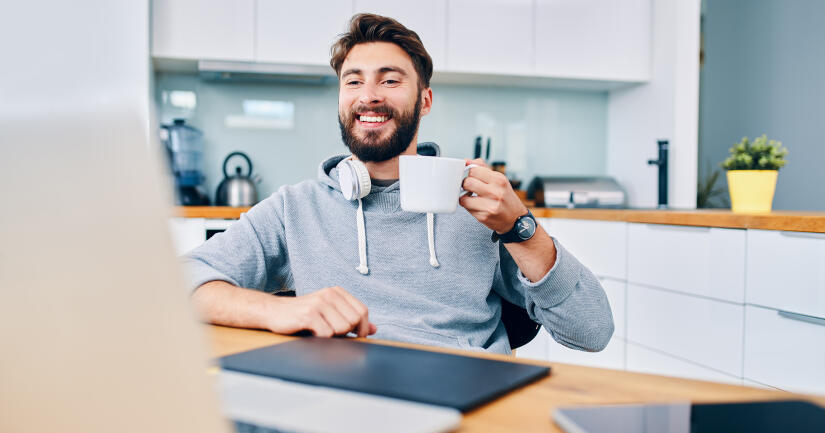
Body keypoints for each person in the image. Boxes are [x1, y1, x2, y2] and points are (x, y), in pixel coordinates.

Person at [183, 13, 613, 354]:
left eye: (389, 80)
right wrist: (278, 310)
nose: (369, 95)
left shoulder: (482, 209)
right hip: (345, 395)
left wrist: (520, 227)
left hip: (465, 394)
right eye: (354, 81)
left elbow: (592, 332)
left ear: (424, 100)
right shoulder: (295, 209)